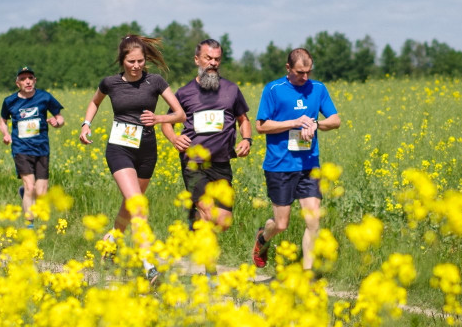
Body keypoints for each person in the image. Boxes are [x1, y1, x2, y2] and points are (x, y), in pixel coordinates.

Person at [79, 35, 186, 284]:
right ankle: (150, 267)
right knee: (138, 207)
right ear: (122, 60)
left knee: (130, 205)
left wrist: (159, 119)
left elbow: (180, 114)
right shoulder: (111, 83)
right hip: (120, 148)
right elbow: (94, 102)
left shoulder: (156, 82)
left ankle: (113, 241)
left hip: (147, 150)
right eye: (131, 61)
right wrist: (86, 124)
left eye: (140, 61)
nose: (136, 66)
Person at [252, 48, 341, 271]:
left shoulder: (318, 88)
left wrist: (315, 124)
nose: (305, 77)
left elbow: (335, 120)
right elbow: (261, 126)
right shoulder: (274, 89)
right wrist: (293, 123)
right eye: (300, 72)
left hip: (309, 164)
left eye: (308, 71)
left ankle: (307, 274)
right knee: (281, 224)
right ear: (288, 68)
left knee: (313, 221)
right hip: (280, 165)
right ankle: (263, 237)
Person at [160, 39, 253, 233]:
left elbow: (243, 119)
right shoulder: (184, 93)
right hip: (194, 163)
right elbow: (167, 123)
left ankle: (193, 222)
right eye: (208, 58)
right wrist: (174, 139)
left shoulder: (231, 90)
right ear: (197, 59)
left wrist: (246, 139)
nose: (213, 63)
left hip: (221, 163)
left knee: (224, 222)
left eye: (217, 59)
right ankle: (207, 258)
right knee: (210, 212)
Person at [0, 66, 65, 228]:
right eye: (23, 79)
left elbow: (60, 118)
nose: (27, 81)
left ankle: (24, 194)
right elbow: (2, 121)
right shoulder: (10, 101)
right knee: (30, 186)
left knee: (41, 192)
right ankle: (30, 225)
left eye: (30, 78)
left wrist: (57, 123)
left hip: (42, 148)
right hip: (21, 149)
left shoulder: (45, 97)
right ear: (17, 83)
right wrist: (6, 134)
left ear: (34, 80)